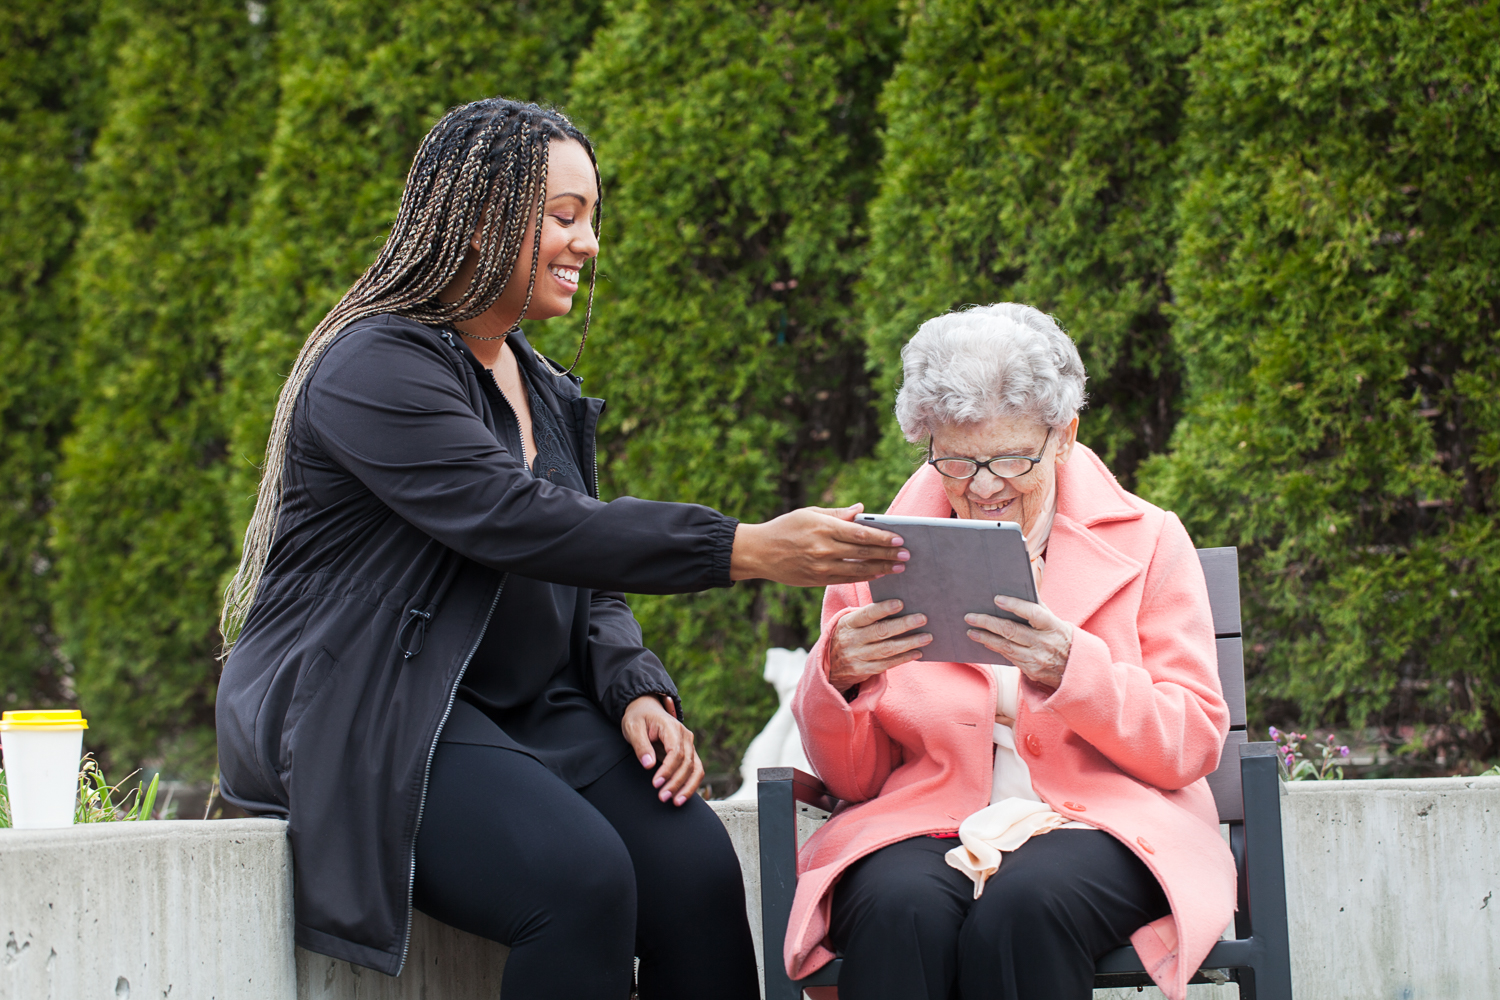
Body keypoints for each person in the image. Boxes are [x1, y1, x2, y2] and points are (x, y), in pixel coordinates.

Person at [213, 98, 909, 1000]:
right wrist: (745, 548)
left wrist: (631, 684)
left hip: (520, 710)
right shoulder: (372, 369)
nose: (587, 245)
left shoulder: (539, 382)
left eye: (591, 221)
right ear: (475, 224)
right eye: (563, 217)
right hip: (378, 706)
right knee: (577, 880)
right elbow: (521, 521)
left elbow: (582, 570)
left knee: (696, 867)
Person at [784, 304, 1237, 1000]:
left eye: (1012, 459)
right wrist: (836, 680)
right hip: (923, 816)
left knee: (1025, 906)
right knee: (898, 907)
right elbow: (852, 779)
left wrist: (1073, 670)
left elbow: (1191, 743)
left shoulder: (1148, 540)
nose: (985, 486)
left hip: (1105, 819)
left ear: (1064, 437)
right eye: (958, 461)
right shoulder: (877, 555)